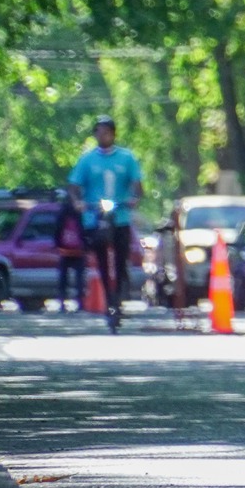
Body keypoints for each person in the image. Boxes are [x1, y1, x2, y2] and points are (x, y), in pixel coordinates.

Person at [68, 116, 143, 331]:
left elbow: (137, 185)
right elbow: (73, 185)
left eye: (107, 132)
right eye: (99, 132)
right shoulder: (87, 160)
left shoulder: (126, 158)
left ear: (113, 134)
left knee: (120, 260)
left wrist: (134, 198)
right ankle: (108, 299)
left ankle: (118, 298)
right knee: (101, 259)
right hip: (96, 217)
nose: (103, 136)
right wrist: (78, 202)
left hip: (119, 216)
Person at [54, 195, 89, 312]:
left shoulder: (62, 214)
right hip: (79, 251)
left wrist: (57, 244)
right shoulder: (81, 213)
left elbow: (57, 229)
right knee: (80, 279)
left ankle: (62, 302)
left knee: (63, 278)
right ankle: (80, 303)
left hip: (65, 251)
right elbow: (86, 230)